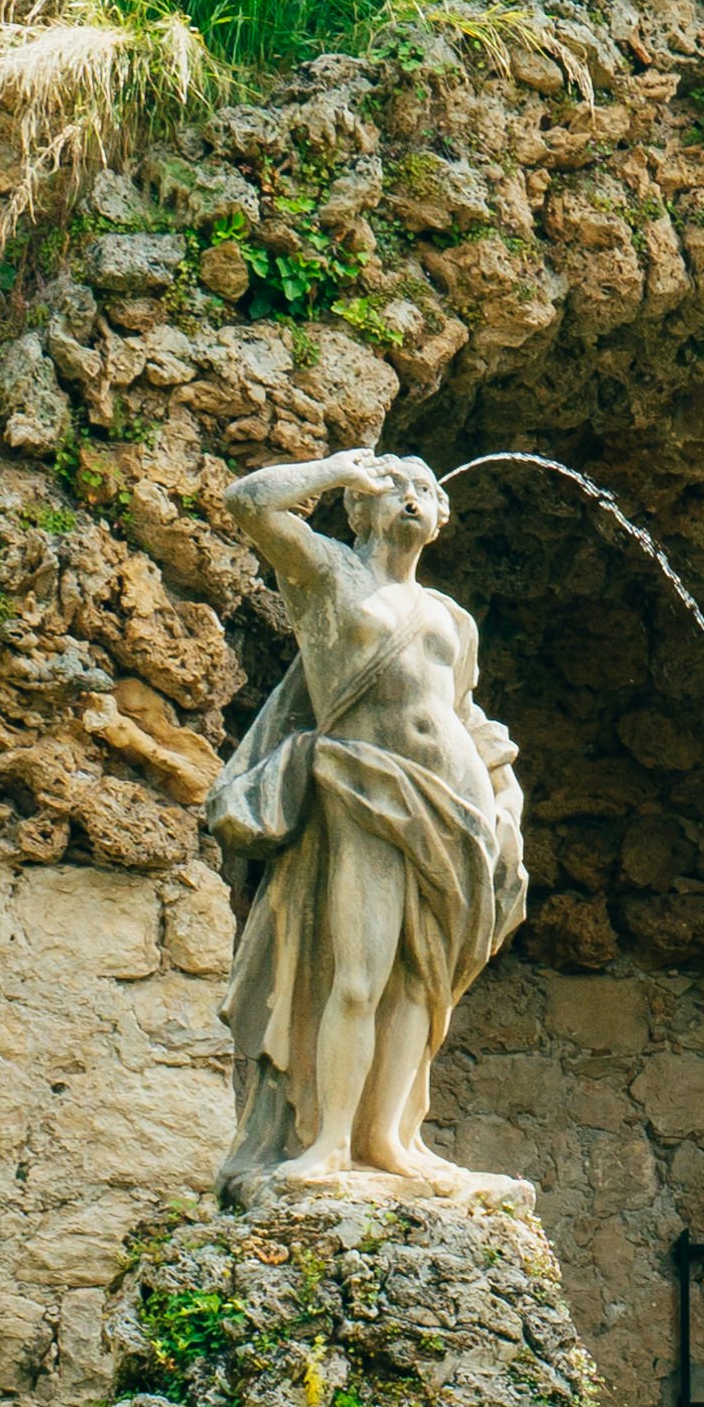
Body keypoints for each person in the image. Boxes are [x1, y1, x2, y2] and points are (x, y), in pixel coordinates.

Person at [203, 448, 527, 1203]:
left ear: (443, 517)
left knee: (420, 981)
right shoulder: (327, 579)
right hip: (362, 790)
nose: (413, 498)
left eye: (427, 489)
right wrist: (341, 469)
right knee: (356, 973)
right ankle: (326, 1143)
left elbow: (465, 719)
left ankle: (390, 1140)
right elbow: (249, 501)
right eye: (397, 488)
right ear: (364, 507)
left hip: (457, 810)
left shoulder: (451, 617)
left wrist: (506, 803)